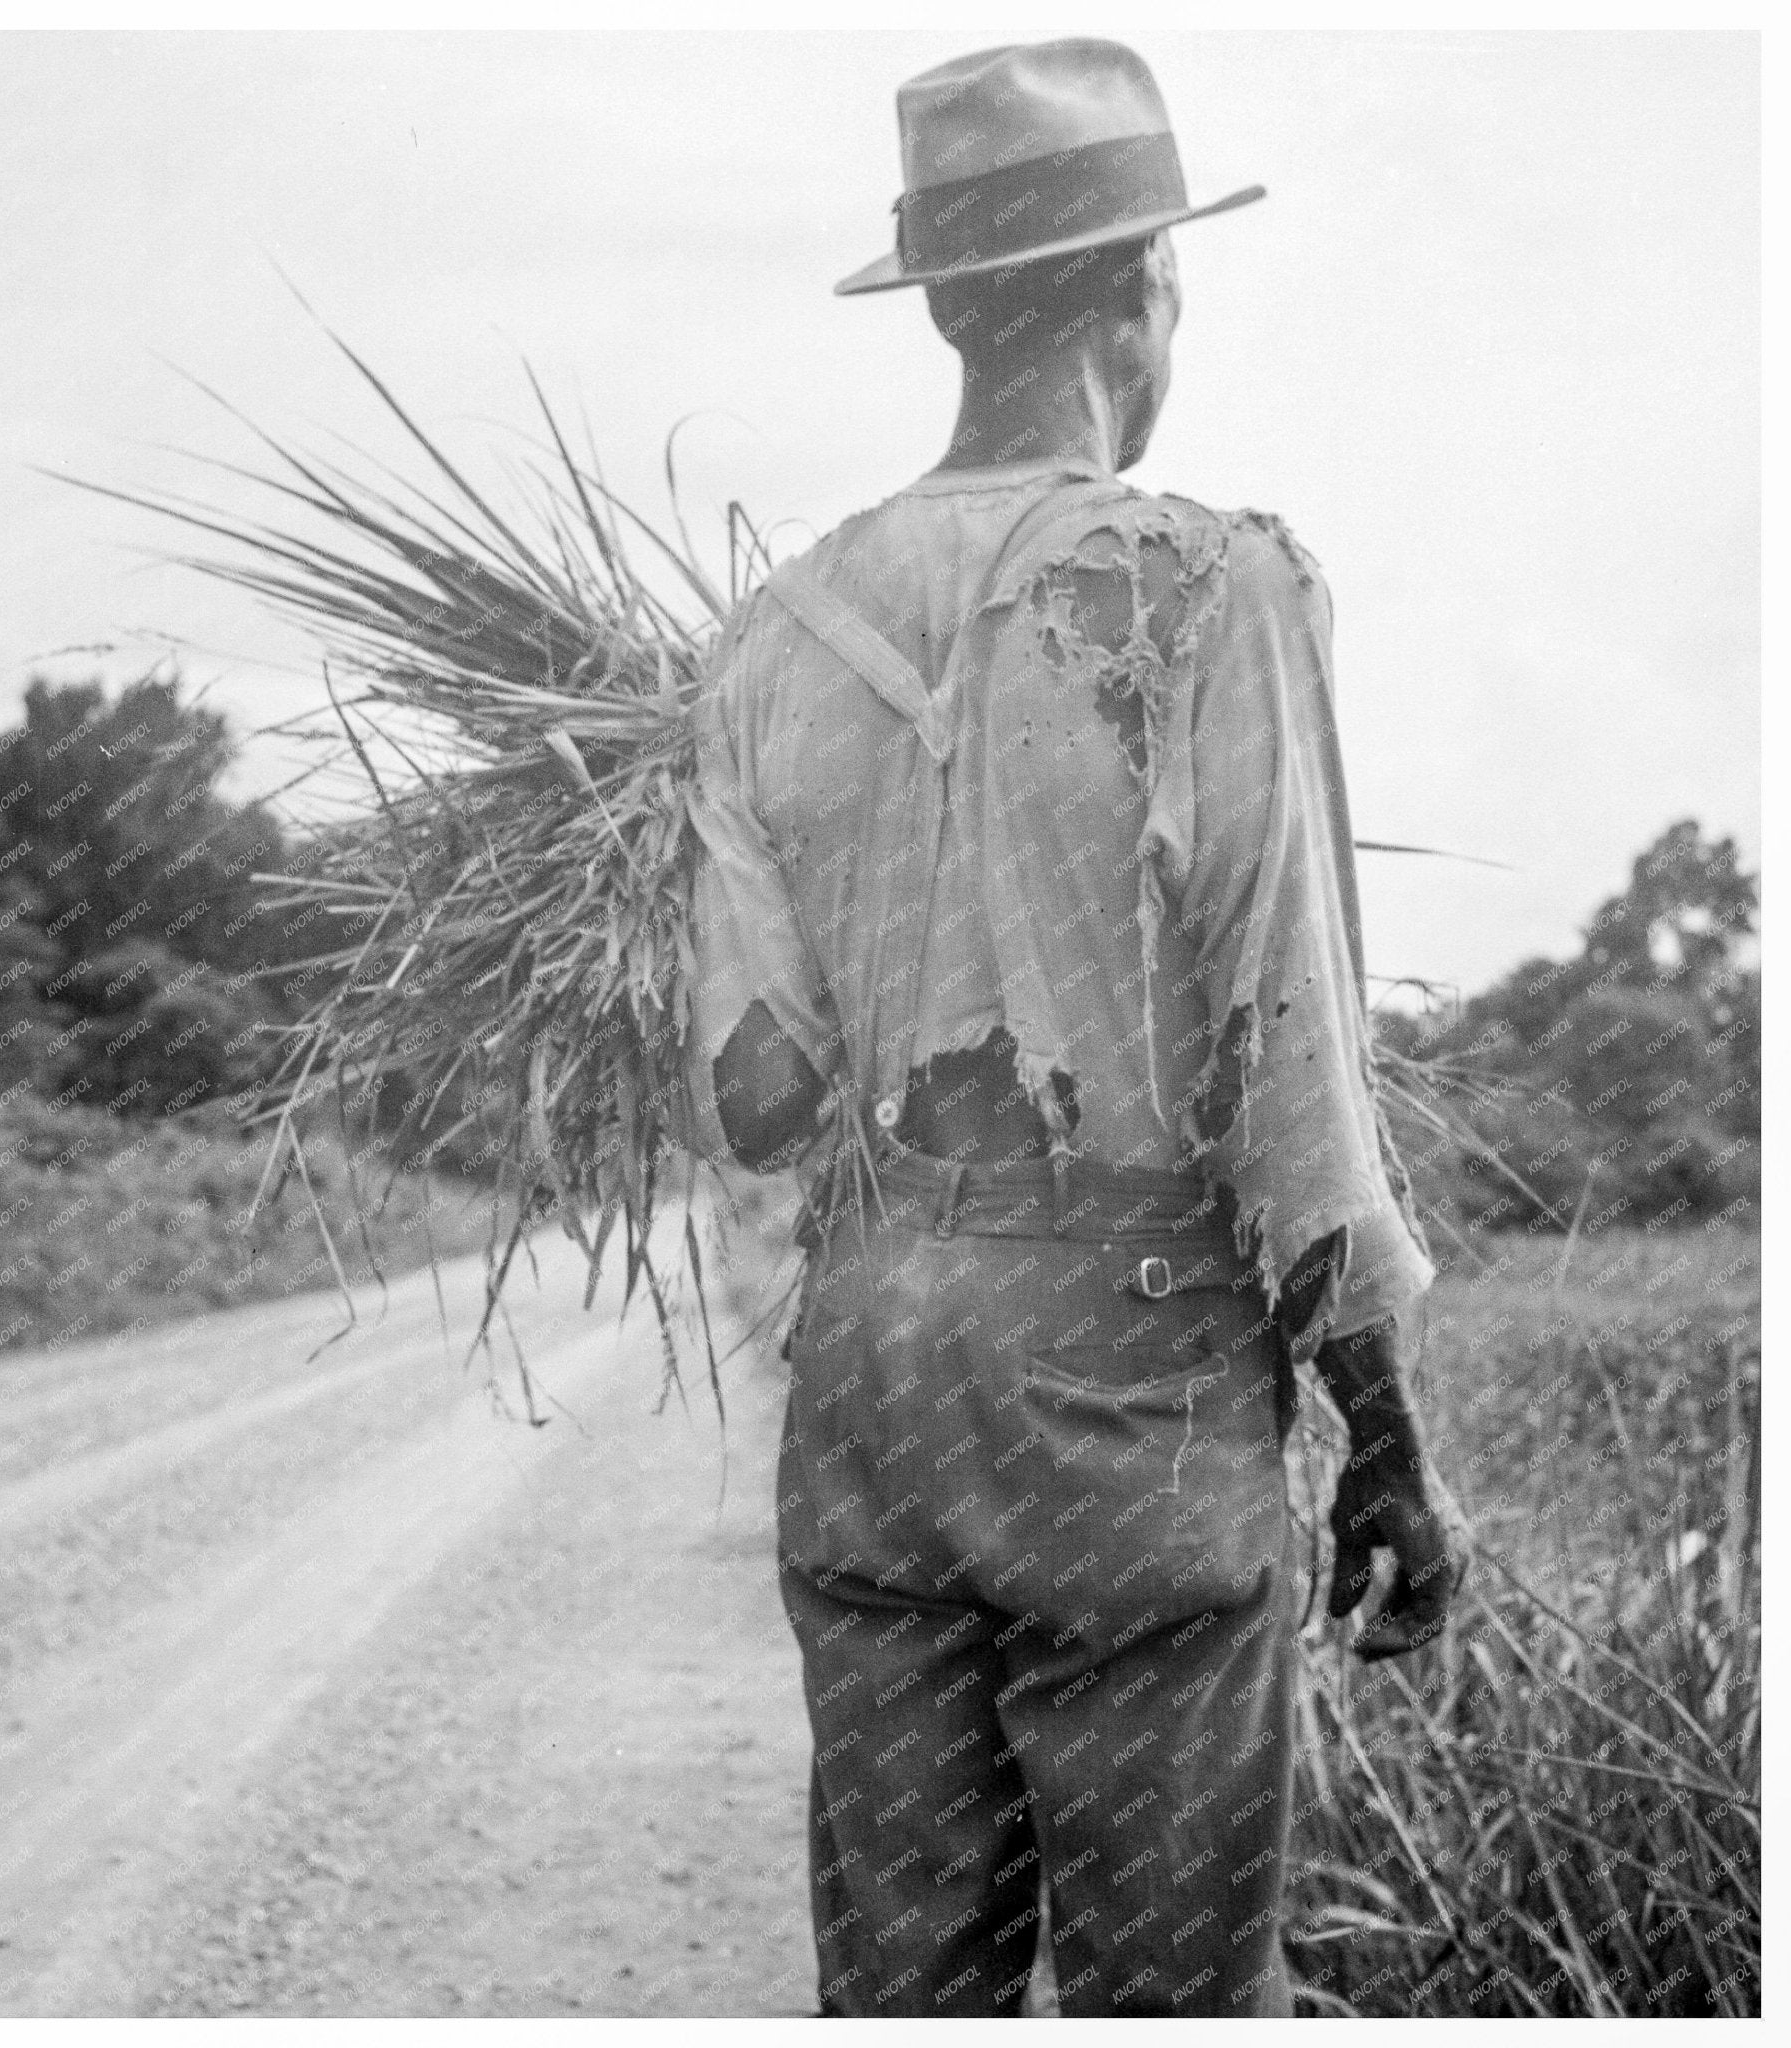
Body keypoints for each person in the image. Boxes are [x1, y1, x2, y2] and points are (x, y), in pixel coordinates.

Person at [684, 38, 1468, 2019]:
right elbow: (1292, 1062)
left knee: (904, 1991)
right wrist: (1385, 1448)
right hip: (1121, 1392)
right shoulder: (1204, 581)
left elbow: (755, 1097)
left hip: (874, 1373)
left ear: (940, 303)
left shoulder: (767, 639)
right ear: (1144, 289)